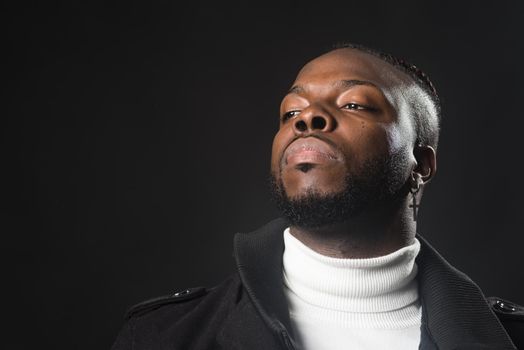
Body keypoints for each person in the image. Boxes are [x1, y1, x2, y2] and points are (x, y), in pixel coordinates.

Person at [111, 44, 523, 350]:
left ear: (421, 164)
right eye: (291, 112)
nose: (307, 118)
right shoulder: (160, 337)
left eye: (356, 103)